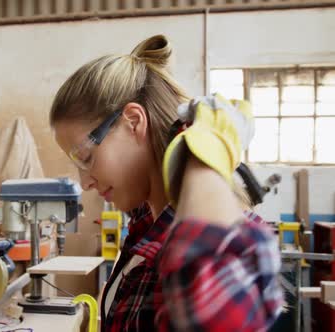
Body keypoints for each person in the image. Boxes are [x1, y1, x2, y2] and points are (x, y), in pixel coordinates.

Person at [49, 34, 283, 331]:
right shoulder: (147, 222)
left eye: (86, 157)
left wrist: (203, 157)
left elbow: (214, 315)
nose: (85, 183)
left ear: (133, 122)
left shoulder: (207, 238)